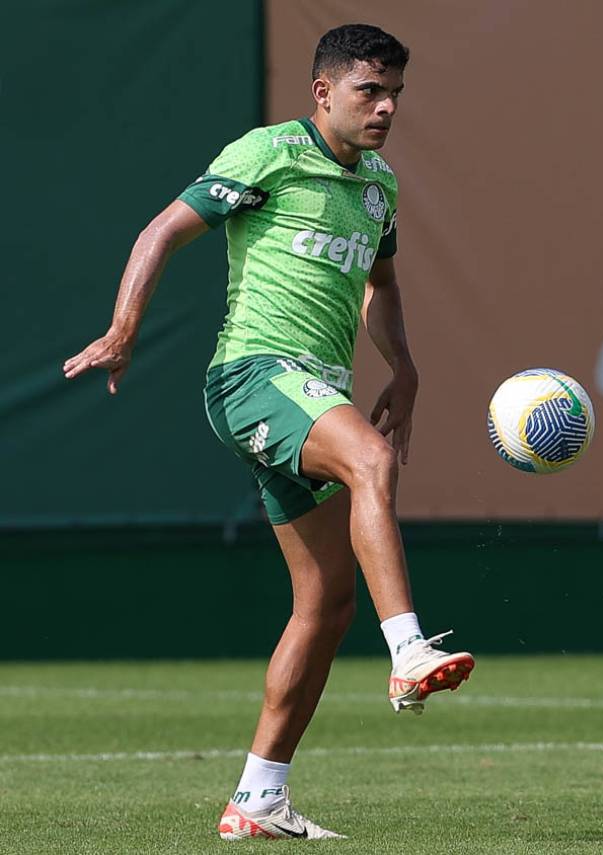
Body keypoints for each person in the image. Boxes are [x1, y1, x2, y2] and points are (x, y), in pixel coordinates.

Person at [62, 23, 474, 840]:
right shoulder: (269, 152)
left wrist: (408, 366)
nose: (386, 106)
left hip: (313, 387)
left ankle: (257, 798)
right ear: (323, 93)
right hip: (253, 374)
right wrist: (122, 329)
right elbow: (161, 231)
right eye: (369, 91)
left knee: (324, 602)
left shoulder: (379, 185)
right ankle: (409, 652)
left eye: (395, 92)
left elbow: (381, 286)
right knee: (369, 458)